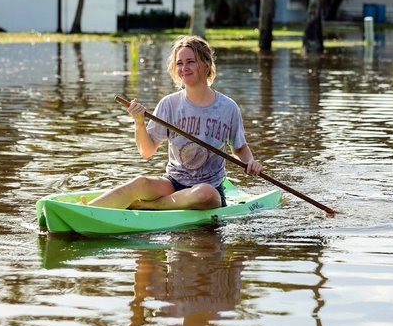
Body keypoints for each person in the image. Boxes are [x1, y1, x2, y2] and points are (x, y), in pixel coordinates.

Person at [87, 35, 263, 210]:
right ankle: (85, 211)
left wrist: (251, 162)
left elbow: (239, 148)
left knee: (204, 193)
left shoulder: (228, 107)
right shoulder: (169, 104)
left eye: (190, 62)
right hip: (173, 183)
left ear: (206, 64)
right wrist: (139, 123)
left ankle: (150, 206)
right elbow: (146, 151)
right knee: (139, 183)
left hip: (209, 191)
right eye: (179, 63)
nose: (184, 68)